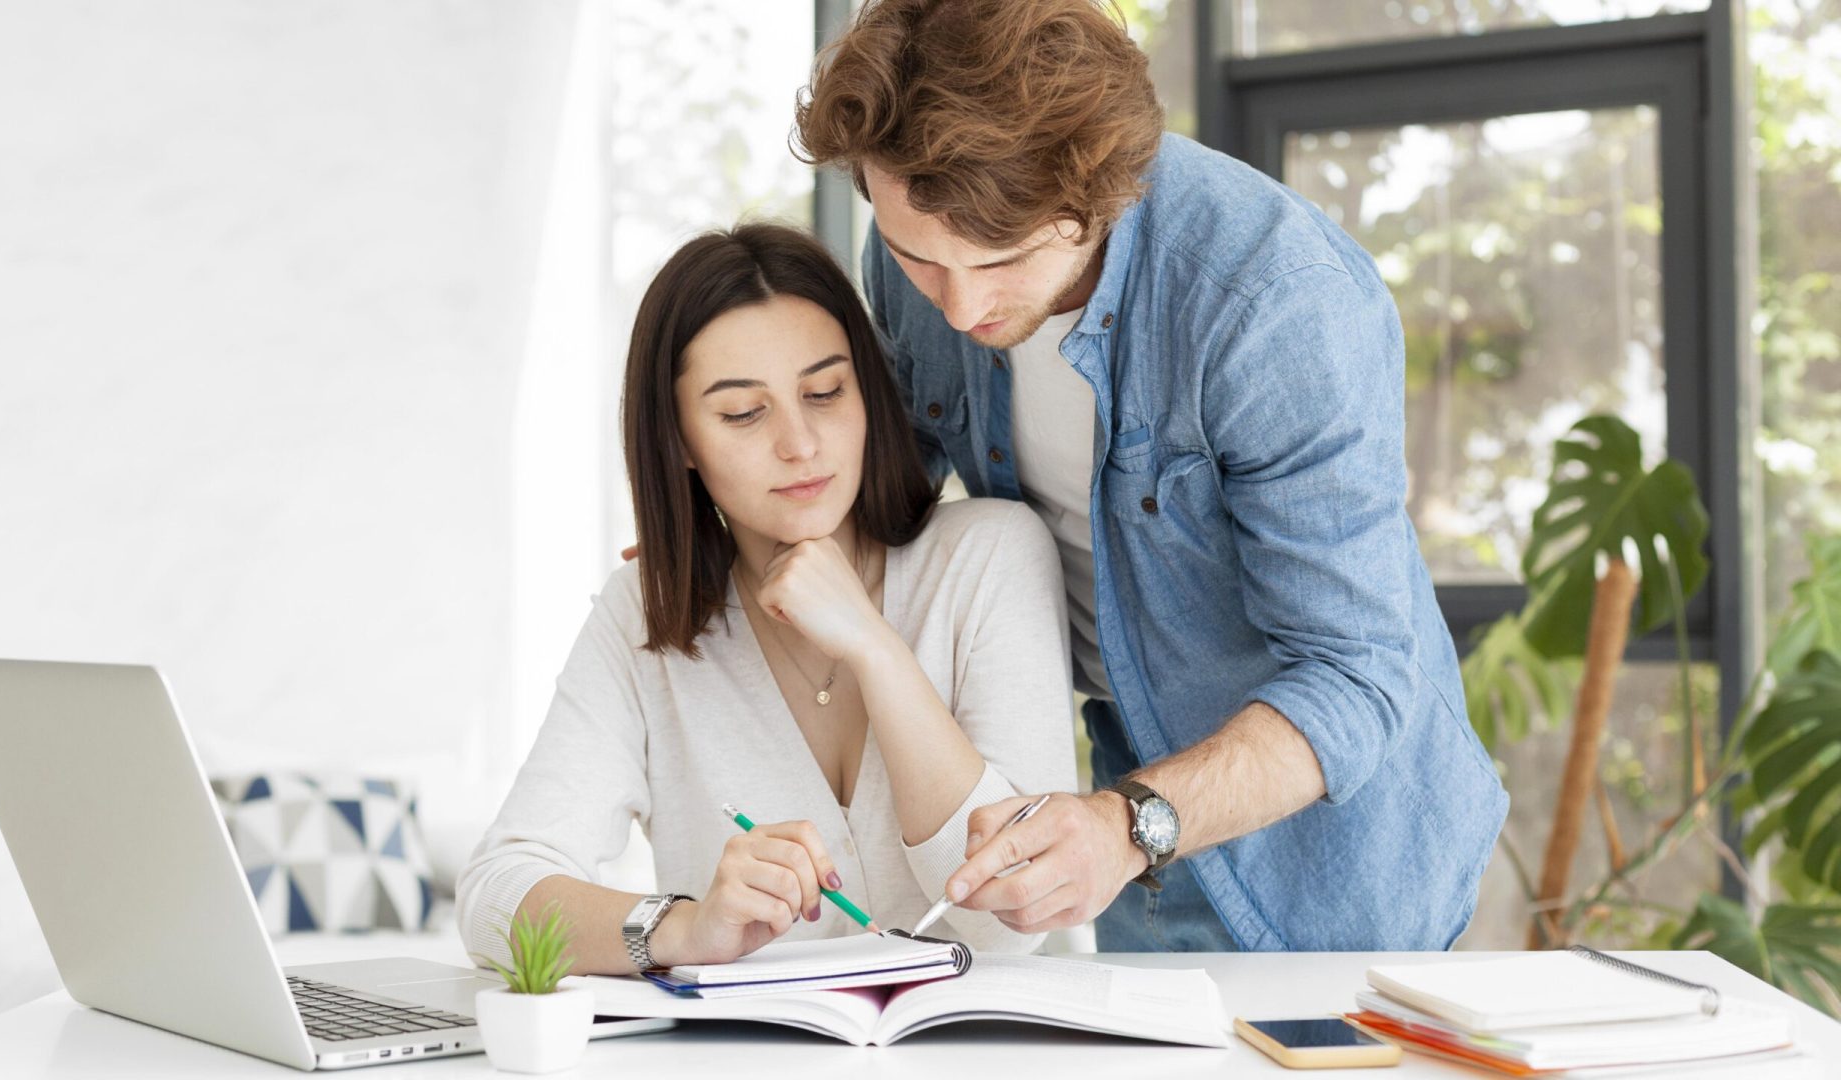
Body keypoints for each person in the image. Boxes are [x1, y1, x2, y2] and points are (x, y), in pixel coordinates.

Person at [792, 0, 1508, 951]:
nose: (961, 308)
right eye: (920, 258)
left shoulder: (1275, 303)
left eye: (1002, 259)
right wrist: (733, 535)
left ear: (1100, 193)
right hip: (1120, 797)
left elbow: (1356, 675)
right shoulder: (915, 264)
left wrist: (1128, 825)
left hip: (1335, 863)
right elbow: (884, 504)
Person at [456, 223, 1076, 975]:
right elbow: (494, 901)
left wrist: (875, 650)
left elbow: (1012, 918)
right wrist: (682, 930)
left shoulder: (990, 558)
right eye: (744, 413)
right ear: (679, 439)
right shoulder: (644, 615)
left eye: (824, 392)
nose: (801, 443)